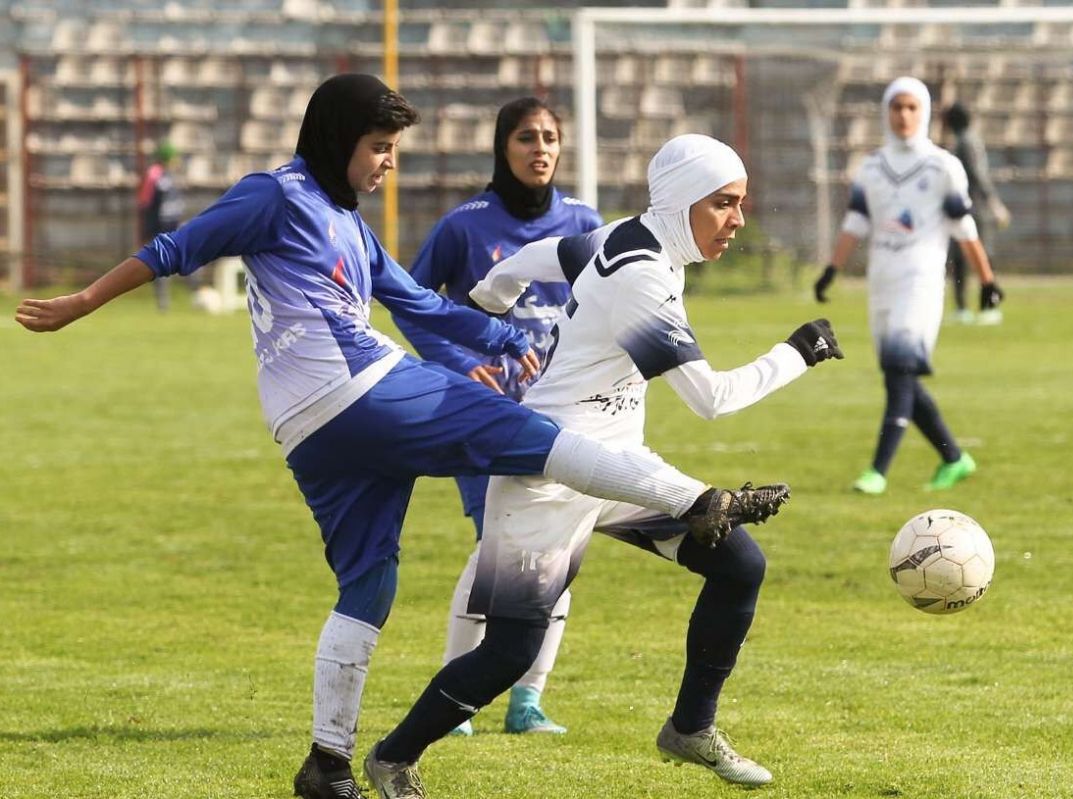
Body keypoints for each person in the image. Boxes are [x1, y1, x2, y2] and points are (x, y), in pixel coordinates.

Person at [14, 75, 791, 799]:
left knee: (369, 585)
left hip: (309, 431)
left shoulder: (350, 226)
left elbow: (417, 303)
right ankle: (698, 496)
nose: (388, 163)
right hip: (359, 391)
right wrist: (83, 299)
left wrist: (499, 336)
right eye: (379, 148)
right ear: (336, 138)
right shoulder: (274, 196)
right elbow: (175, 248)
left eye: (393, 150)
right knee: (525, 430)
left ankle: (328, 762)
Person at [360, 134, 844, 799]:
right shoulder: (644, 277)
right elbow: (711, 399)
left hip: (618, 466)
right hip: (548, 470)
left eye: (740, 204)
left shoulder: (624, 234)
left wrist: (492, 295)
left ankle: (690, 727)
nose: (736, 219)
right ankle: (393, 756)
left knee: (739, 565)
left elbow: (541, 254)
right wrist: (798, 351)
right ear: (680, 203)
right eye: (724, 204)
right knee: (509, 653)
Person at [393, 97, 602, 737]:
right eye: (525, 138)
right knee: (498, 550)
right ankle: (457, 698)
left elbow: (606, 308)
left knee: (556, 554)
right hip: (486, 416)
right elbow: (412, 303)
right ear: (501, 147)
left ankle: (527, 699)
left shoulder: (585, 223)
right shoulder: (465, 226)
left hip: (567, 416)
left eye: (549, 138)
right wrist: (458, 360)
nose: (539, 148)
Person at [811, 77, 1001, 496]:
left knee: (899, 372)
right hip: (881, 282)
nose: (904, 116)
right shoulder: (872, 168)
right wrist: (831, 270)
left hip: (921, 280)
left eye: (912, 107)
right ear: (885, 112)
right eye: (897, 107)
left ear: (926, 112)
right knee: (900, 378)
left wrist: (987, 280)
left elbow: (964, 226)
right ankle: (954, 458)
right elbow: (855, 223)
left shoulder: (942, 166)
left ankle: (877, 471)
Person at [943, 101, 1009, 325]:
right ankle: (981, 307)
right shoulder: (968, 141)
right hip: (973, 206)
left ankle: (975, 308)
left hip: (972, 207)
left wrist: (993, 203)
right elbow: (980, 175)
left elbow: (978, 175)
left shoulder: (965, 142)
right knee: (977, 256)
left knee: (970, 257)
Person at [136, 139, 189, 311]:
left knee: (186, 260)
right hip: (159, 228)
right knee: (161, 263)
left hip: (175, 226)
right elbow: (145, 202)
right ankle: (163, 303)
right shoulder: (154, 174)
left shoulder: (172, 176)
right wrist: (146, 229)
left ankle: (195, 293)